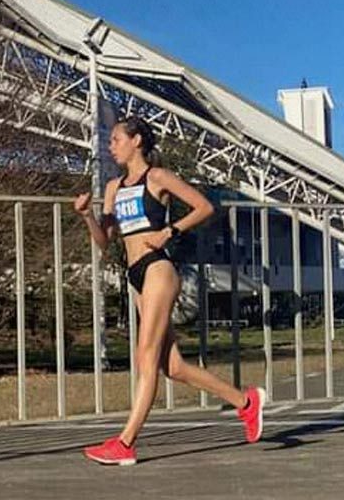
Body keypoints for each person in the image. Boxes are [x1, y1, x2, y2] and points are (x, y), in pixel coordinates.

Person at [75, 116, 265, 465]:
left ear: (136, 141)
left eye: (116, 139)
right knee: (173, 367)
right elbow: (105, 242)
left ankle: (126, 443)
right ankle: (246, 402)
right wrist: (88, 215)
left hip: (159, 270)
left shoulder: (157, 177)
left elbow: (205, 207)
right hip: (134, 274)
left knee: (144, 357)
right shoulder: (115, 187)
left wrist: (170, 231)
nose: (110, 145)